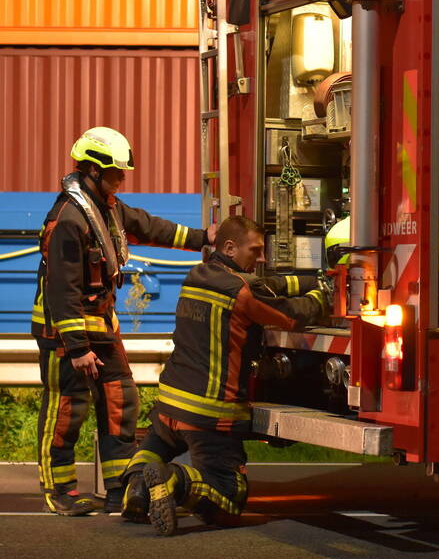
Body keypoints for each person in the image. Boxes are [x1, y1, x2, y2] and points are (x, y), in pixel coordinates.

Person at [31, 126, 214, 516]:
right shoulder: (68, 218)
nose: (121, 180)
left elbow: (151, 227)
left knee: (120, 403)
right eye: (115, 173)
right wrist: (77, 349)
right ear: (92, 171)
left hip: (101, 327)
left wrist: (204, 239)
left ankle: (119, 488)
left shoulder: (107, 208)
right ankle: (60, 492)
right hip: (66, 336)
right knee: (67, 411)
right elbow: (63, 290)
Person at [117, 215, 328, 534]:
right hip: (210, 414)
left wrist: (311, 279)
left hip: (170, 403)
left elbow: (267, 286)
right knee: (229, 499)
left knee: (155, 444)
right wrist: (322, 297)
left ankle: (136, 492)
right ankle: (174, 481)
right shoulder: (240, 292)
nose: (261, 259)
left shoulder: (196, 275)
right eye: (255, 252)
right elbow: (289, 315)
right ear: (230, 248)